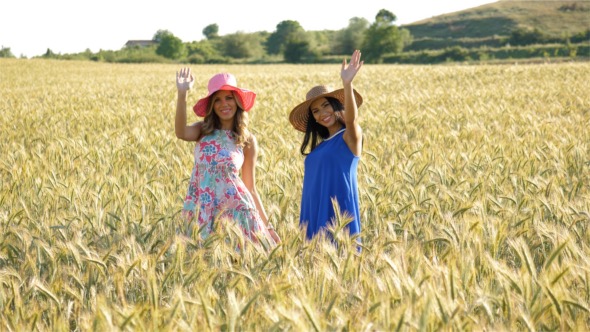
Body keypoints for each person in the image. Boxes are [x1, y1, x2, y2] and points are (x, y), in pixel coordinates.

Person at [175, 69, 280, 245]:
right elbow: (181, 132)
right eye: (217, 100)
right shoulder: (202, 131)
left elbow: (250, 187)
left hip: (236, 213)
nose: (224, 104)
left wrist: (268, 227)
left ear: (237, 101)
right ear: (212, 106)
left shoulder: (247, 140)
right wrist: (182, 93)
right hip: (202, 210)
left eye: (229, 98)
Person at [288, 49, 364, 244]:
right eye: (315, 111)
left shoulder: (349, 137)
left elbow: (352, 119)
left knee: (340, 254)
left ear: (336, 106)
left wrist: (347, 84)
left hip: (339, 212)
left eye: (326, 106)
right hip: (313, 211)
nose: (322, 113)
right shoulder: (320, 147)